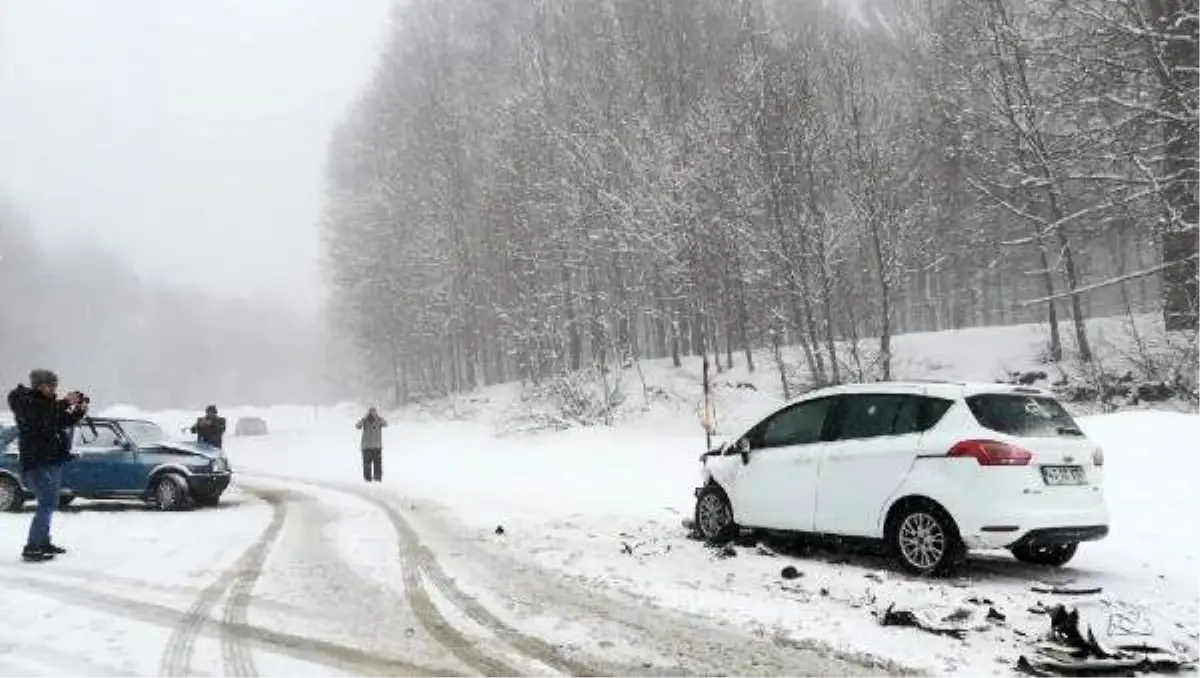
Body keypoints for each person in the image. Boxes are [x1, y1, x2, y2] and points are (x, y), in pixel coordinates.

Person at [7, 369, 88, 562]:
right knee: (46, 503)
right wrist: (66, 402)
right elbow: (40, 417)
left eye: (54, 385)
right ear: (38, 385)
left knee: (49, 504)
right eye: (49, 385)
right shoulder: (26, 402)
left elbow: (59, 421)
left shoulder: (46, 405)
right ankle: (32, 547)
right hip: (37, 462)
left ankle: (42, 542)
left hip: (51, 461)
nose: (53, 389)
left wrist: (79, 411)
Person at [355, 407, 387, 482]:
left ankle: (377, 479)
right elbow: (357, 426)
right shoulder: (365, 421)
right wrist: (364, 418)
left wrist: (378, 417)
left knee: (377, 465)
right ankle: (367, 480)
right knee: (367, 465)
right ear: (368, 413)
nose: (373, 414)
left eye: (374, 412)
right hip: (366, 447)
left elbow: (385, 424)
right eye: (371, 412)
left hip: (377, 447)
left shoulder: (379, 420)